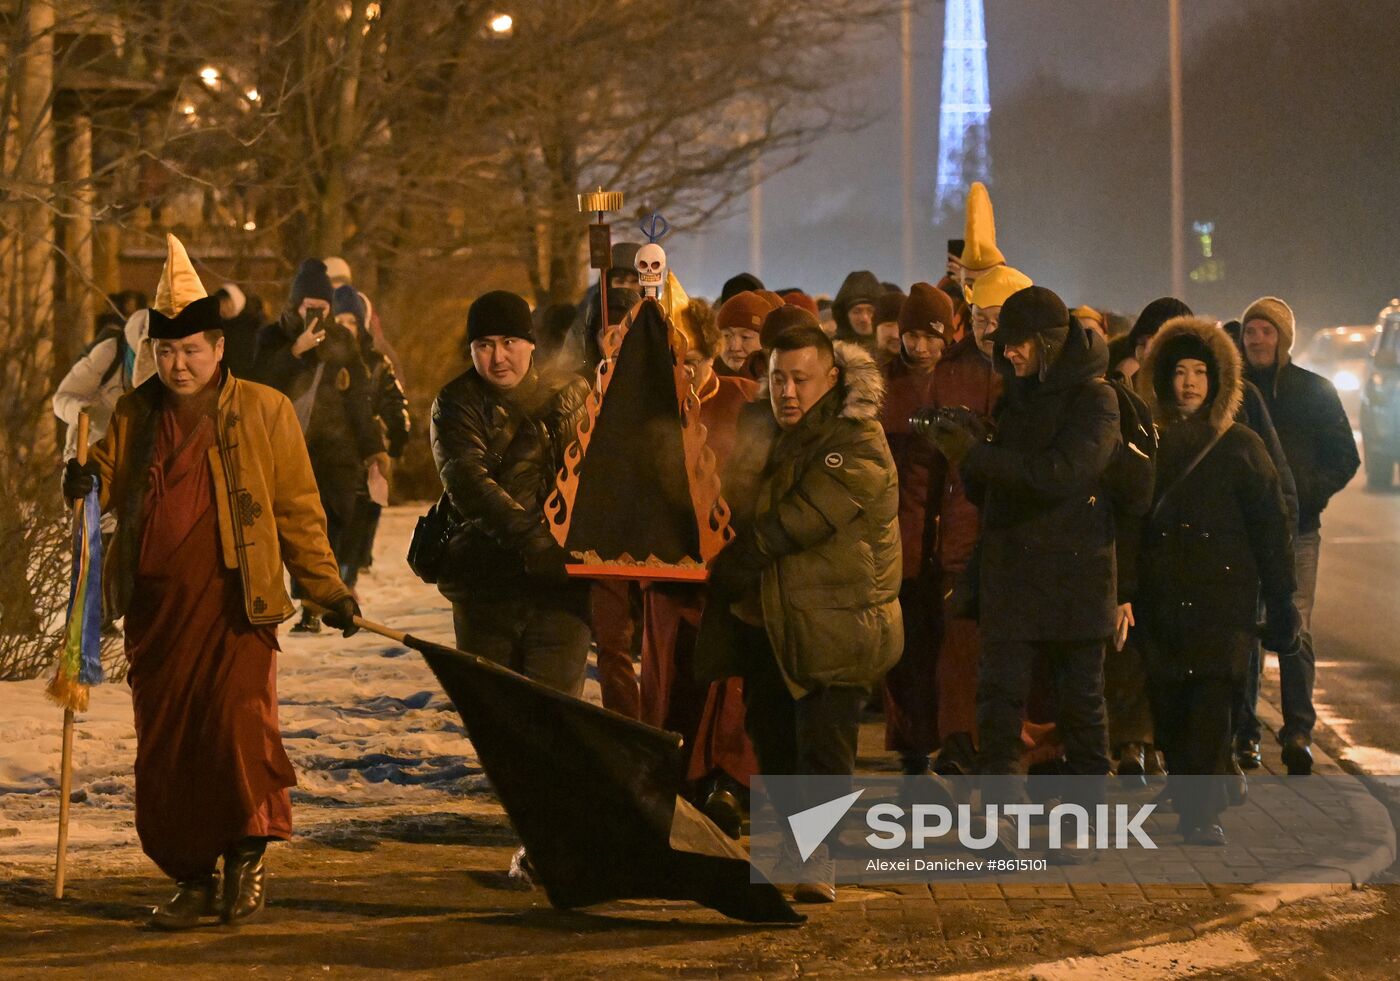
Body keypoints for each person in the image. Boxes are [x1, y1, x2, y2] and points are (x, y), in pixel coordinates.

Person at [62, 236, 359, 929]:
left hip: (234, 607)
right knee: (167, 745)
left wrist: (327, 588)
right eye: (166, 352)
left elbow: (296, 510)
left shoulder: (265, 410)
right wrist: (78, 482)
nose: (179, 363)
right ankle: (191, 874)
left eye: (192, 349)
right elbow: (98, 480)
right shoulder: (135, 414)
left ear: (219, 348)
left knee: (236, 731)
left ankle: (247, 856)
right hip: (157, 613)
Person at [696, 324, 902, 902]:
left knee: (823, 746)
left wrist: (746, 553)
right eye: (778, 378)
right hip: (771, 617)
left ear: (831, 379)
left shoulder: (858, 437)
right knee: (774, 738)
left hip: (839, 619)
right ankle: (792, 843)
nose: (787, 391)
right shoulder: (762, 427)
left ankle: (818, 857)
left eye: (800, 379)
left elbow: (806, 514)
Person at [924, 286, 1119, 852]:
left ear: (1049, 343)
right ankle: (1001, 817)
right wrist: (969, 448)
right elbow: (998, 490)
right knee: (999, 701)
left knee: (1081, 705)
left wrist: (979, 457)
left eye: (1016, 345)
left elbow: (1063, 473)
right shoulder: (1016, 395)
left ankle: (1085, 823)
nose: (1006, 354)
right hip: (1012, 575)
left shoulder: (1095, 399)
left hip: (1075, 581)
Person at [1137, 316, 1298, 844]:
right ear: (1160, 377)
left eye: (1200, 372)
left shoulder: (1241, 446)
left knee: (1210, 701)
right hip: (1160, 598)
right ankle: (1191, 792)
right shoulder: (1144, 444)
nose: (1188, 383)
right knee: (1170, 704)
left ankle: (1199, 814)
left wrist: (1281, 604)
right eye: (1179, 371)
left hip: (1221, 599)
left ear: (1218, 380)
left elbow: (1272, 530)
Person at [431, 290, 592, 698]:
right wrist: (533, 542)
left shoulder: (571, 394)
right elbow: (468, 481)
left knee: (557, 715)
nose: (498, 357)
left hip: (559, 591)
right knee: (501, 714)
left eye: (509, 343)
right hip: (485, 588)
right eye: (484, 345)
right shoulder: (455, 402)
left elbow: (591, 480)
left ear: (531, 344)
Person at [640, 298, 761, 835]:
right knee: (670, 675)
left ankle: (725, 781)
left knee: (726, 680)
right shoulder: (645, 404)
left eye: (695, 361)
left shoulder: (742, 399)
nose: (685, 373)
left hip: (726, 568)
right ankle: (670, 779)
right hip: (666, 566)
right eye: (676, 361)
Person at [1238, 296, 1360, 774]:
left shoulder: (1315, 391)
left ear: (1283, 338)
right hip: (1246, 531)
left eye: (1266, 331)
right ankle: (1245, 733)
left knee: (1295, 628)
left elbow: (1344, 457)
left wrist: (1308, 493)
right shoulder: (1236, 390)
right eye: (1250, 331)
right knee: (1246, 629)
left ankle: (1298, 733)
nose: (1257, 340)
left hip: (1299, 531)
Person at [252, 259, 388, 632]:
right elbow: (254, 390)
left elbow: (358, 398)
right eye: (308, 306)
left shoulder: (342, 341)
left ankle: (324, 593)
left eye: (323, 308)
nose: (316, 314)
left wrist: (373, 450)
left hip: (335, 449)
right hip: (286, 449)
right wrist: (294, 353)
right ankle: (310, 604)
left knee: (334, 520)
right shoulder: (272, 338)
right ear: (295, 304)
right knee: (300, 525)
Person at [922, 273, 1005, 777]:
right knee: (958, 643)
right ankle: (957, 740)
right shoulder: (951, 372)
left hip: (1015, 534)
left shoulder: (1033, 374)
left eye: (996, 320)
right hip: (961, 525)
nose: (987, 330)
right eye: (979, 319)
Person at [879, 284, 954, 776]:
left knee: (943, 647)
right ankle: (911, 744)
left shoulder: (959, 383)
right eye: (911, 335)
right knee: (901, 649)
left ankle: (945, 737)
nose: (920, 347)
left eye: (930, 336)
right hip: (893, 532)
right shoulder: (882, 383)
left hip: (945, 535)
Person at [331, 285, 412, 583]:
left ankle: (348, 577)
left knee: (361, 517)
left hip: (367, 455)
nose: (346, 328)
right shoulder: (321, 361)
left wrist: (397, 441)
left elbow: (395, 403)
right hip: (329, 456)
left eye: (352, 321)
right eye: (340, 321)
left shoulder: (376, 363)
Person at [54, 309, 155, 461]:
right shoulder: (109, 352)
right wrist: (88, 414)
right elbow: (61, 400)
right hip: (88, 455)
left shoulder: (172, 368)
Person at [715, 289, 780, 377]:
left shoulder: (781, 387)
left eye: (745, 337)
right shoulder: (705, 385)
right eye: (727, 336)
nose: (735, 347)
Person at [213, 283, 264, 380]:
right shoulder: (215, 322)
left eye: (229, 306)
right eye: (222, 303)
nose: (224, 309)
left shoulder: (245, 329)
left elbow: (242, 363)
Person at [831, 270, 882, 348]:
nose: (864, 318)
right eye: (857, 311)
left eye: (870, 311)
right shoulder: (833, 352)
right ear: (845, 316)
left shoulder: (895, 352)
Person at [872, 290, 907, 365]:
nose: (896, 335)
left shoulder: (930, 371)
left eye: (902, 325)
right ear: (875, 331)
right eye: (889, 325)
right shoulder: (858, 371)